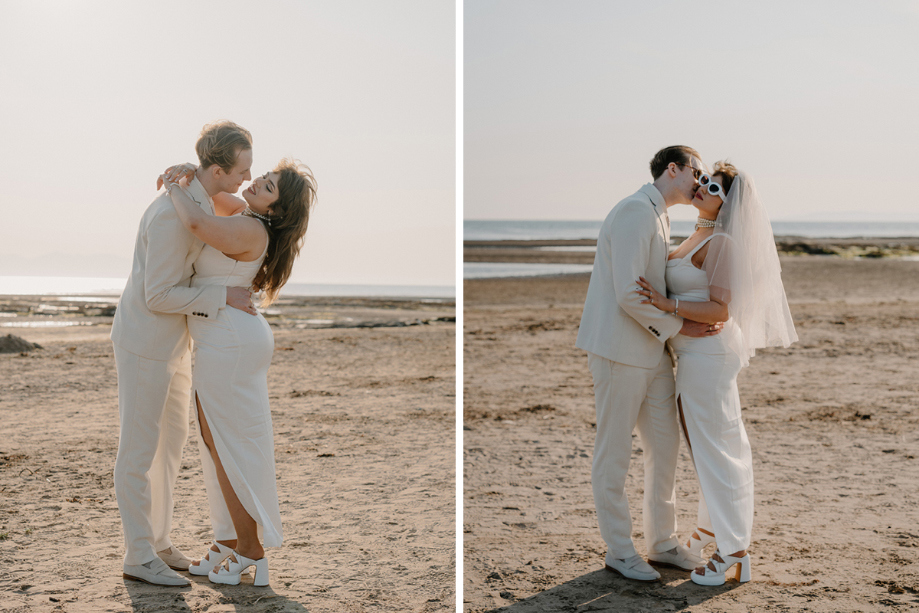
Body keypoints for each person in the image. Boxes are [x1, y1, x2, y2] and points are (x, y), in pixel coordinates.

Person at [158, 155, 316, 586]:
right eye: (263, 176)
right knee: (216, 444)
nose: (258, 181)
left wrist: (171, 187)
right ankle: (229, 540)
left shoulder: (249, 227)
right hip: (225, 338)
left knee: (227, 446)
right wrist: (185, 170)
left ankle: (251, 551)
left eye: (267, 186)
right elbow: (211, 191)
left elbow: (195, 223)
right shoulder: (245, 213)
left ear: (275, 209)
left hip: (230, 343)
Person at [111, 121, 258, 587]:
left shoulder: (196, 195)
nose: (245, 180)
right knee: (138, 450)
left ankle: (158, 542)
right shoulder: (170, 214)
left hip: (173, 343)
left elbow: (229, 211)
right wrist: (223, 299)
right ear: (216, 169)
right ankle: (137, 554)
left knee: (169, 449)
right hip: (143, 342)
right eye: (240, 171)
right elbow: (157, 296)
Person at [637, 161, 797, 586]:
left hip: (709, 355)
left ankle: (735, 555)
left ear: (729, 203)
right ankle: (708, 533)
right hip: (693, 355)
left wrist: (664, 304)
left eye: (715, 186)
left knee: (719, 453)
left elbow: (719, 310)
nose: (703, 187)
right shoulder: (697, 233)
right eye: (704, 180)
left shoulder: (722, 242)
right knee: (709, 448)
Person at [575, 146, 724, 582]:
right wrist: (680, 326)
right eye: (695, 171)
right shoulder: (636, 213)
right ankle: (620, 550)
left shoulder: (661, 214)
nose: (700, 180)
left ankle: (662, 542)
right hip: (620, 351)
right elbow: (627, 293)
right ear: (672, 169)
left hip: (652, 352)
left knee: (665, 446)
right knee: (614, 452)